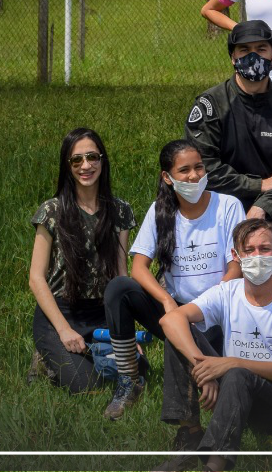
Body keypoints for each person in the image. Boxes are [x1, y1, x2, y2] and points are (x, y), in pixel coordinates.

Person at [156, 219, 272, 472]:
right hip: (234, 388)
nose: (257, 256)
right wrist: (204, 368)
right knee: (178, 336)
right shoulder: (227, 292)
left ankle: (214, 466)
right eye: (249, 250)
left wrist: (230, 363)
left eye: (264, 249)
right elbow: (171, 318)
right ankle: (190, 437)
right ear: (235, 255)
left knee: (238, 374)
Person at [101, 140, 245, 421]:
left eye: (199, 167)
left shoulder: (228, 206)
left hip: (218, 310)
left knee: (184, 333)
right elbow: (139, 268)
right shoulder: (159, 211)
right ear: (167, 177)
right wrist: (167, 301)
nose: (194, 176)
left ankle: (191, 412)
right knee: (119, 288)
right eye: (184, 170)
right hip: (175, 309)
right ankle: (129, 377)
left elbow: (236, 265)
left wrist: (209, 302)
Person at [185, 20, 272, 261]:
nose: (253, 56)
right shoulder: (211, 105)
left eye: (261, 49)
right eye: (244, 50)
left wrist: (262, 206)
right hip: (222, 203)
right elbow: (203, 169)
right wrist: (259, 185)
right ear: (233, 57)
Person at [28, 127, 136, 395]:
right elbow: (36, 278)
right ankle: (45, 359)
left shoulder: (120, 210)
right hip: (60, 313)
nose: (85, 166)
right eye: (77, 160)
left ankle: (85, 351)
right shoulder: (51, 211)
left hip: (101, 314)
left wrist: (126, 335)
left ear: (102, 160)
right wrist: (64, 330)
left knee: (138, 369)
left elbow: (121, 277)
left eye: (92, 157)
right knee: (87, 385)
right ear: (68, 166)